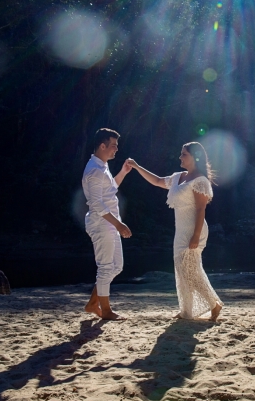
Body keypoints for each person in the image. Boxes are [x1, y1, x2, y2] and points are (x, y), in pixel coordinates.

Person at [127, 142, 223, 321]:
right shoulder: (178, 177)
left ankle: (214, 304)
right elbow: (156, 181)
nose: (180, 157)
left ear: (195, 157)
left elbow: (201, 210)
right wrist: (137, 167)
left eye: (183, 154)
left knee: (190, 271)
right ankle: (187, 311)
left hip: (195, 230)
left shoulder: (200, 181)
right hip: (181, 231)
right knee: (182, 270)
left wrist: (195, 236)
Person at [82, 128, 133, 320]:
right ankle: (106, 310)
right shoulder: (94, 170)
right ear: (102, 146)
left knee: (116, 266)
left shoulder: (102, 166)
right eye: (113, 146)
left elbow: (110, 190)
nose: (116, 150)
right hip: (102, 223)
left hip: (110, 223)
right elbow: (96, 204)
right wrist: (119, 225)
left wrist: (123, 172)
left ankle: (93, 303)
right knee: (105, 267)